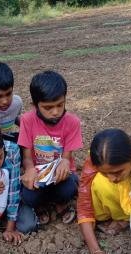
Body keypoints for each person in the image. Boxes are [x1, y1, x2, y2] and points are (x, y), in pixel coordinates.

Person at [18, 70, 83, 225]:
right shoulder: (27, 120)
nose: (55, 112)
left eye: (60, 105)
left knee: (69, 189)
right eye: (48, 107)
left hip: (60, 174)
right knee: (29, 196)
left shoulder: (72, 122)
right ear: (35, 105)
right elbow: (27, 158)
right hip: (39, 174)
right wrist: (30, 169)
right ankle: (41, 205)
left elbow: (66, 158)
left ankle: (60, 202)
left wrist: (65, 163)